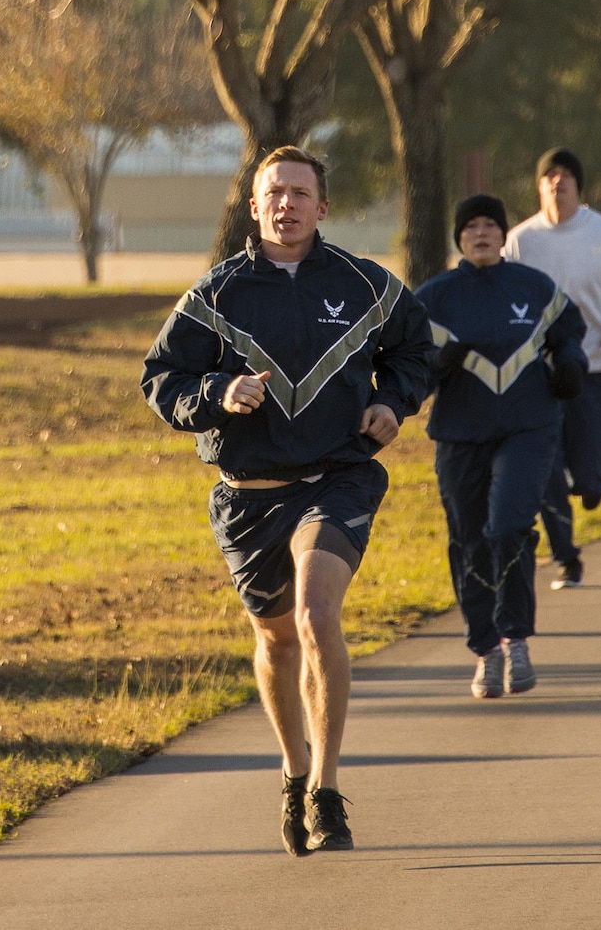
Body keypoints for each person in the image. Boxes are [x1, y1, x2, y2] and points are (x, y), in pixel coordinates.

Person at [140, 146, 432, 856]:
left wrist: (393, 402)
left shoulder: (367, 284)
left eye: (301, 193)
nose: (287, 204)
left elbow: (416, 349)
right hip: (249, 494)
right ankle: (294, 773)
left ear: (322, 207)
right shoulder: (217, 293)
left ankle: (328, 792)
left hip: (337, 478)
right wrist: (216, 393)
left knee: (314, 610)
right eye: (275, 193)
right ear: (254, 204)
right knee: (274, 636)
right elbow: (160, 378)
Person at [415, 194, 589, 700]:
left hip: (527, 427)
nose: (482, 232)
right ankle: (485, 650)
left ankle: (516, 640)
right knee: (468, 538)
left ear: (503, 234)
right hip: (458, 433)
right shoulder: (433, 297)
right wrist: (436, 367)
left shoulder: (533, 288)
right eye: (471, 226)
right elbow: (408, 367)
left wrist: (571, 365)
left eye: (491, 224)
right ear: (459, 238)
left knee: (510, 525)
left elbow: (568, 333)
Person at [504, 148, 601, 590]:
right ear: (539, 184)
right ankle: (566, 556)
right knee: (544, 467)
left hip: (598, 368)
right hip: (540, 374)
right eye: (549, 174)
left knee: (590, 477)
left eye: (566, 174)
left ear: (578, 185)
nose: (557, 181)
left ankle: (588, 482)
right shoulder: (521, 240)